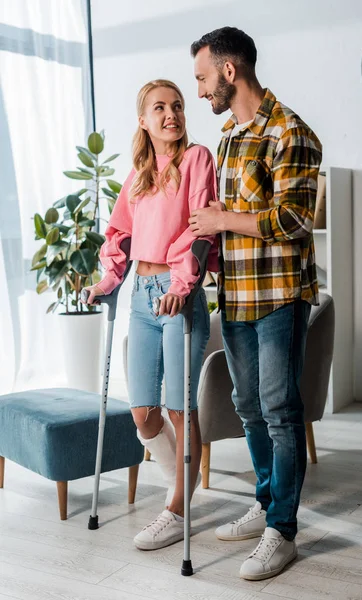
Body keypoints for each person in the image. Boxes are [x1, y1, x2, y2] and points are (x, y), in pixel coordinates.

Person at [189, 27, 323, 580]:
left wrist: (222, 220)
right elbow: (222, 214)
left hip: (279, 296)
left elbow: (293, 221)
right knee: (248, 409)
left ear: (228, 70)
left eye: (201, 78)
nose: (199, 92)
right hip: (237, 295)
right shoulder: (228, 136)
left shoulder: (292, 132)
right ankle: (269, 505)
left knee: (281, 413)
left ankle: (283, 531)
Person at [83, 79, 218, 550]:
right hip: (142, 295)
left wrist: (183, 285)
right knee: (143, 414)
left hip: (179, 297)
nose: (171, 114)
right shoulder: (139, 174)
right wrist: (105, 283)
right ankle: (178, 479)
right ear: (143, 120)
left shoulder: (196, 158)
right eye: (159, 108)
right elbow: (119, 234)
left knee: (181, 410)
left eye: (177, 106)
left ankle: (177, 505)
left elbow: (202, 227)